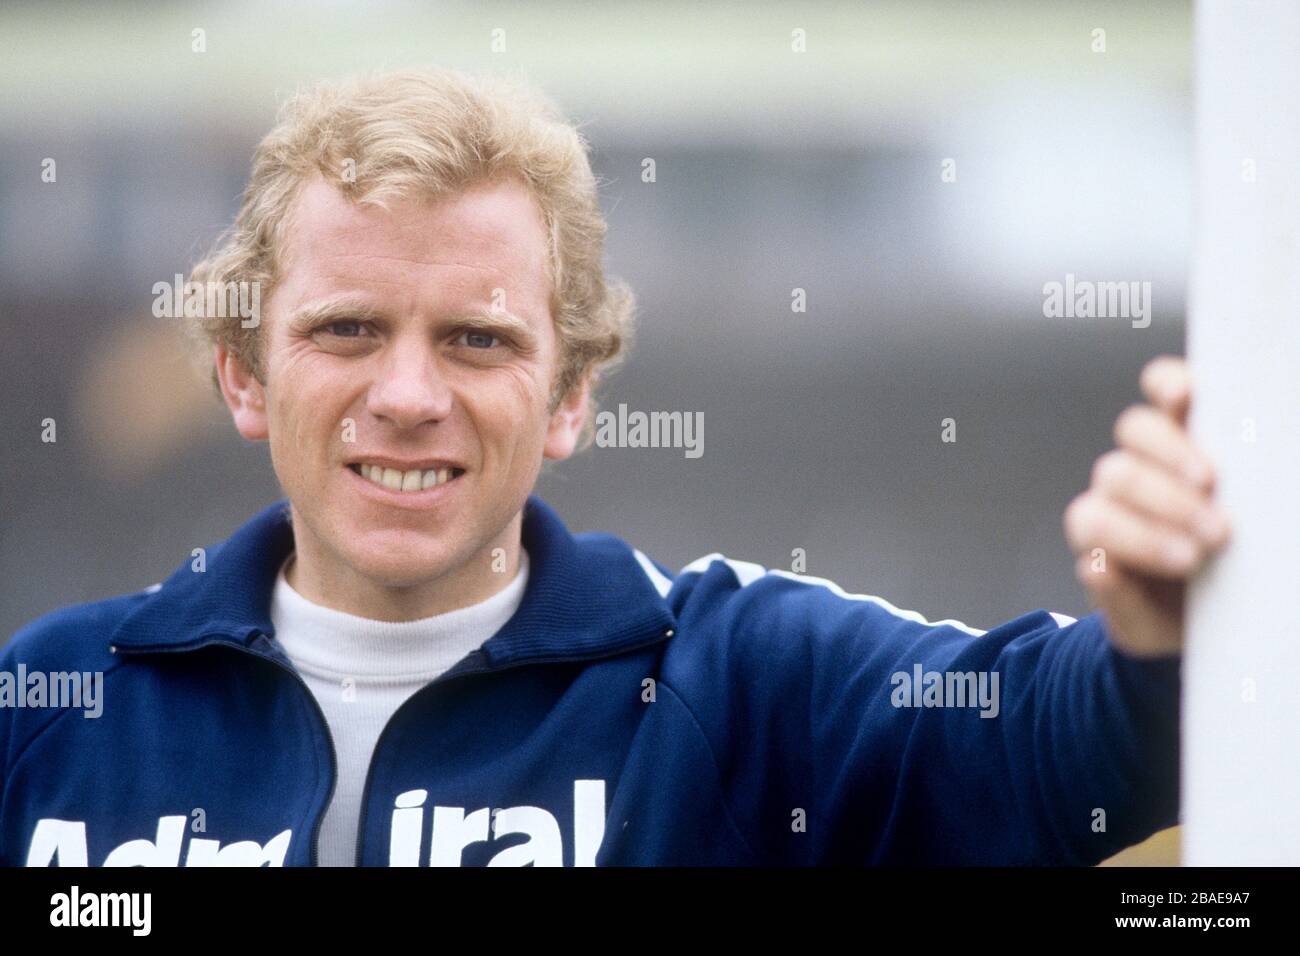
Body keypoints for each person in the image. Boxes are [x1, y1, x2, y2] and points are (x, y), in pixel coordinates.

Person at [0, 69, 1230, 866]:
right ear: (244, 375)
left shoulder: (747, 680)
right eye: (346, 329)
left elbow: (1056, 745)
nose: (410, 395)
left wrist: (1168, 637)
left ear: (571, 394)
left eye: (478, 339)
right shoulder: (51, 701)